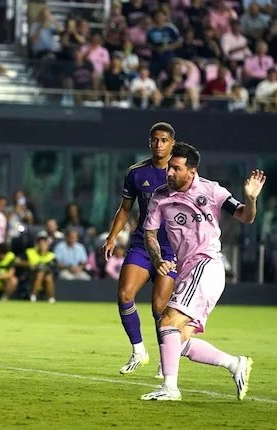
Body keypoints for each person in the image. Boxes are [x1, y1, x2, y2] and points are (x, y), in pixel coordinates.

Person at [140, 142, 263, 401]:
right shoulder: (160, 197)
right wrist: (158, 258)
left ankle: (170, 389)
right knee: (177, 341)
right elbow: (149, 235)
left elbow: (245, 216)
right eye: (169, 168)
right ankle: (235, 364)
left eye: (176, 168)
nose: (169, 173)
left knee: (167, 321)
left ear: (192, 171)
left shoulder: (212, 191)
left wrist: (251, 200)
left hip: (206, 265)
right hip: (187, 271)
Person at [103, 122, 177, 377]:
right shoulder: (136, 173)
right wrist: (112, 237)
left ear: (172, 144)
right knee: (124, 294)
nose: (159, 144)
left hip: (171, 249)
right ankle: (138, 351)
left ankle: (165, 360)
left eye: (164, 140)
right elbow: (125, 209)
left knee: (159, 308)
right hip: (142, 244)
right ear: (149, 142)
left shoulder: (180, 172)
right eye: (155, 140)